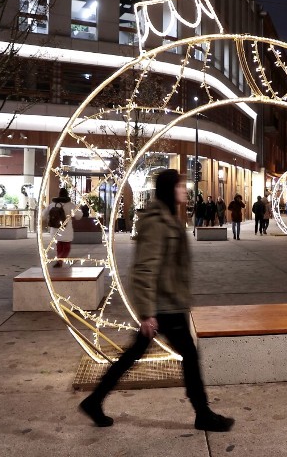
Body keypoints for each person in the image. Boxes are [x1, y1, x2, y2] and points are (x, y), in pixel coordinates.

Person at [79, 169, 234, 432]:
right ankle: (203, 413)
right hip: (163, 305)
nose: (184, 190)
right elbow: (144, 269)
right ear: (169, 189)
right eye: (180, 186)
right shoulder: (156, 222)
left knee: (133, 355)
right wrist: (148, 313)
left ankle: (95, 400)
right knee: (189, 356)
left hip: (170, 302)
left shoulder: (169, 218)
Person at [42, 187, 82, 267]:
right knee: (66, 247)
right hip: (66, 229)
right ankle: (60, 260)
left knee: (59, 245)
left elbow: (43, 215)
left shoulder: (52, 204)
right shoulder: (71, 205)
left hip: (55, 229)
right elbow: (79, 215)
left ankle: (59, 259)